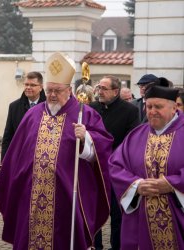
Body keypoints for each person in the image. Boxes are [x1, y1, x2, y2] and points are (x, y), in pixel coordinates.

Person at [0, 52, 113, 249]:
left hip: (67, 195)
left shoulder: (85, 114)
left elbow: (103, 150)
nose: (52, 95)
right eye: (49, 90)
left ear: (70, 90)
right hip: (30, 194)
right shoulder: (33, 114)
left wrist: (87, 139)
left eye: (57, 91)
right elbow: (16, 151)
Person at [109, 83, 184, 249]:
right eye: (148, 106)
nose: (152, 111)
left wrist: (173, 184)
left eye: (158, 106)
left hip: (177, 218)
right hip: (139, 220)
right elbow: (115, 166)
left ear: (174, 108)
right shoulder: (136, 135)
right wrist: (136, 185)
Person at [90, 75, 140, 250]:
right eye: (98, 88)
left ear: (115, 91)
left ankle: (116, 247)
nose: (99, 91)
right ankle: (95, 246)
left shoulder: (130, 111)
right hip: (93, 169)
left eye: (104, 88)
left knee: (117, 214)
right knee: (93, 212)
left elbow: (131, 141)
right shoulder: (92, 108)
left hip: (116, 170)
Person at [1, 71, 46, 160]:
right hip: (20, 157)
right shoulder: (14, 107)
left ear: (41, 87)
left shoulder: (48, 107)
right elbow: (8, 138)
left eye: (32, 85)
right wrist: (3, 162)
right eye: (26, 84)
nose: (28, 87)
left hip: (42, 158)